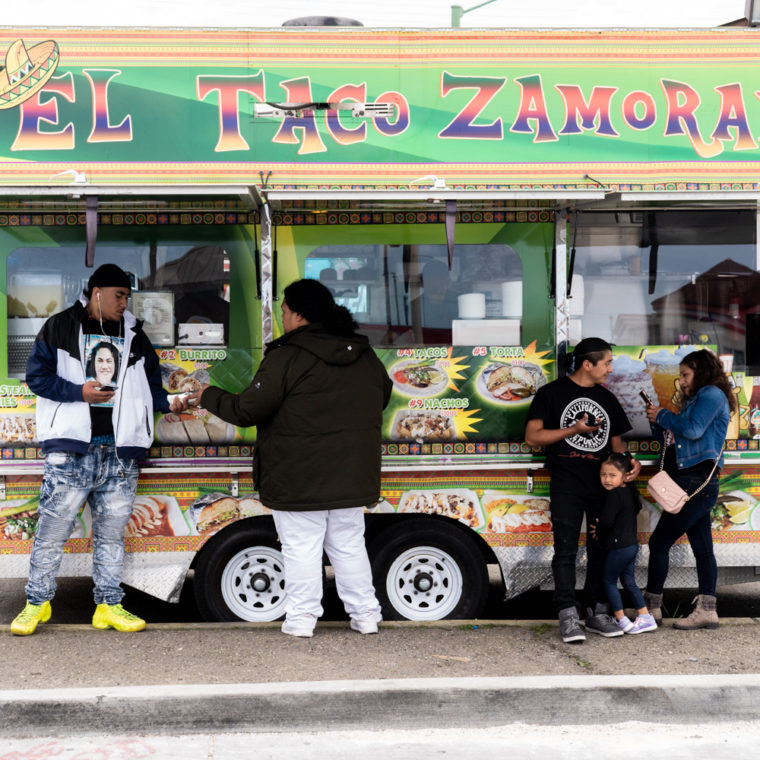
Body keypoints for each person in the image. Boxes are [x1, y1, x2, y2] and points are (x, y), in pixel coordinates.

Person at [182, 278, 393, 638]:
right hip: (352, 474)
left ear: (297, 313)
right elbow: (383, 395)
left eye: (283, 310)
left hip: (300, 476)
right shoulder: (362, 352)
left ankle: (301, 620)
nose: (281, 316)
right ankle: (366, 616)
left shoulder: (288, 356)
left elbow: (248, 409)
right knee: (348, 545)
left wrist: (208, 395)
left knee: (301, 548)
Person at [10, 263, 183, 636]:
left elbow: (152, 388)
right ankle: (36, 605)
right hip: (71, 451)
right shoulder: (59, 326)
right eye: (119, 296)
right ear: (97, 292)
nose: (125, 304)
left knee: (111, 537)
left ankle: (108, 605)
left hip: (119, 455)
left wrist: (171, 403)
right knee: (52, 533)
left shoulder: (134, 334)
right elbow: (37, 378)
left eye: (128, 297)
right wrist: (79, 393)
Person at [524, 337, 641, 644]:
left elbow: (617, 446)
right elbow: (533, 437)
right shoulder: (551, 394)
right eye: (607, 363)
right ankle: (567, 614)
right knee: (565, 551)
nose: (611, 369)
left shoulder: (607, 397)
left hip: (602, 488)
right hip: (566, 485)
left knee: (600, 549)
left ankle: (595, 612)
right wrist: (573, 430)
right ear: (587, 364)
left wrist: (630, 462)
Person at [644, 349, 734, 630]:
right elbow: (678, 436)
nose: (681, 381)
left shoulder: (710, 394)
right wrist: (656, 420)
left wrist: (663, 415)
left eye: (685, 374)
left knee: (659, 543)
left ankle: (652, 607)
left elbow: (693, 430)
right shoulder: (697, 398)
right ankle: (707, 610)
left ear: (702, 370)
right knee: (703, 548)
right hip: (693, 481)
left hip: (696, 482)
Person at [595, 452, 657, 635]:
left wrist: (597, 528)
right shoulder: (629, 492)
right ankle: (645, 617)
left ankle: (621, 619)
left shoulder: (614, 495)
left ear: (625, 476)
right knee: (629, 581)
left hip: (618, 547)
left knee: (608, 581)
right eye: (603, 475)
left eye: (612, 475)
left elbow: (606, 521)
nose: (607, 479)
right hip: (631, 546)